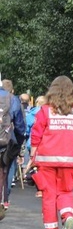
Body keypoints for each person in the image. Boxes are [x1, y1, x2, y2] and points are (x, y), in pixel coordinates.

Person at [28, 76, 73, 229]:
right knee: (66, 191)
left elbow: (36, 134)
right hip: (70, 159)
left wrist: (33, 156)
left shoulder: (45, 110)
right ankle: (67, 214)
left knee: (48, 194)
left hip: (46, 158)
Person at [1, 79, 26, 211]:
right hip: (7, 141)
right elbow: (20, 126)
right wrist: (19, 143)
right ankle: (5, 198)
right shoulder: (13, 99)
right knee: (6, 170)